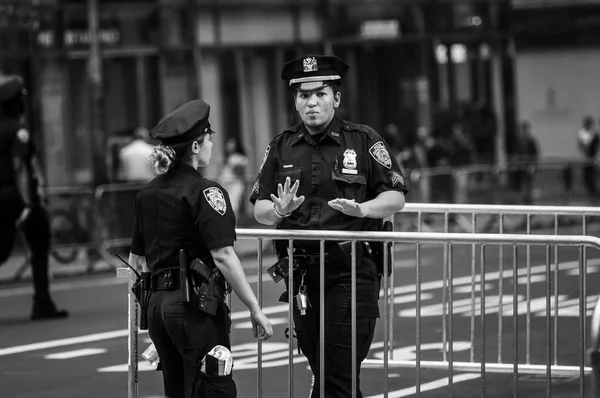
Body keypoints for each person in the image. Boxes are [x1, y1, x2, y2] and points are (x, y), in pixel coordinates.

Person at [250, 54, 408, 397]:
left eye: (321, 94)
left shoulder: (364, 141)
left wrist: (363, 209)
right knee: (330, 375)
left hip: (351, 272)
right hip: (303, 278)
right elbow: (259, 209)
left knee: (335, 377)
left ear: (336, 98)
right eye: (304, 96)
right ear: (295, 101)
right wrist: (279, 210)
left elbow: (395, 196)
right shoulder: (281, 146)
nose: (312, 102)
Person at [126, 99, 273, 398]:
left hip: (156, 307)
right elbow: (222, 254)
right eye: (209, 138)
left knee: (177, 390)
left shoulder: (147, 194)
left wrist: (146, 311)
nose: (211, 144)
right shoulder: (206, 192)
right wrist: (255, 308)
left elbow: (136, 261)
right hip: (194, 307)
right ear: (195, 146)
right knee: (214, 389)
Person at [0, 74, 69, 321]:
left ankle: (44, 302)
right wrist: (29, 203)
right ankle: (42, 303)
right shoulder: (18, 132)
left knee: (3, 249)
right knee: (40, 242)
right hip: (15, 196)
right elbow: (19, 166)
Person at [217, 138, 248, 219]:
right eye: (229, 143)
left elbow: (239, 172)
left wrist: (232, 164)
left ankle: (234, 227)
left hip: (234, 184)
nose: (230, 146)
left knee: (233, 207)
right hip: (224, 184)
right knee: (223, 208)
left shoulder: (240, 158)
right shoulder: (224, 157)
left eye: (232, 143)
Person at [577, 116, 599, 199]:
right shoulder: (582, 133)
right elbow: (581, 146)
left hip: (593, 159)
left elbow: (595, 147)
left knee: (593, 178)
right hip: (586, 160)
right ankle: (592, 194)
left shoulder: (594, 134)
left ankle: (595, 195)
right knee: (586, 178)